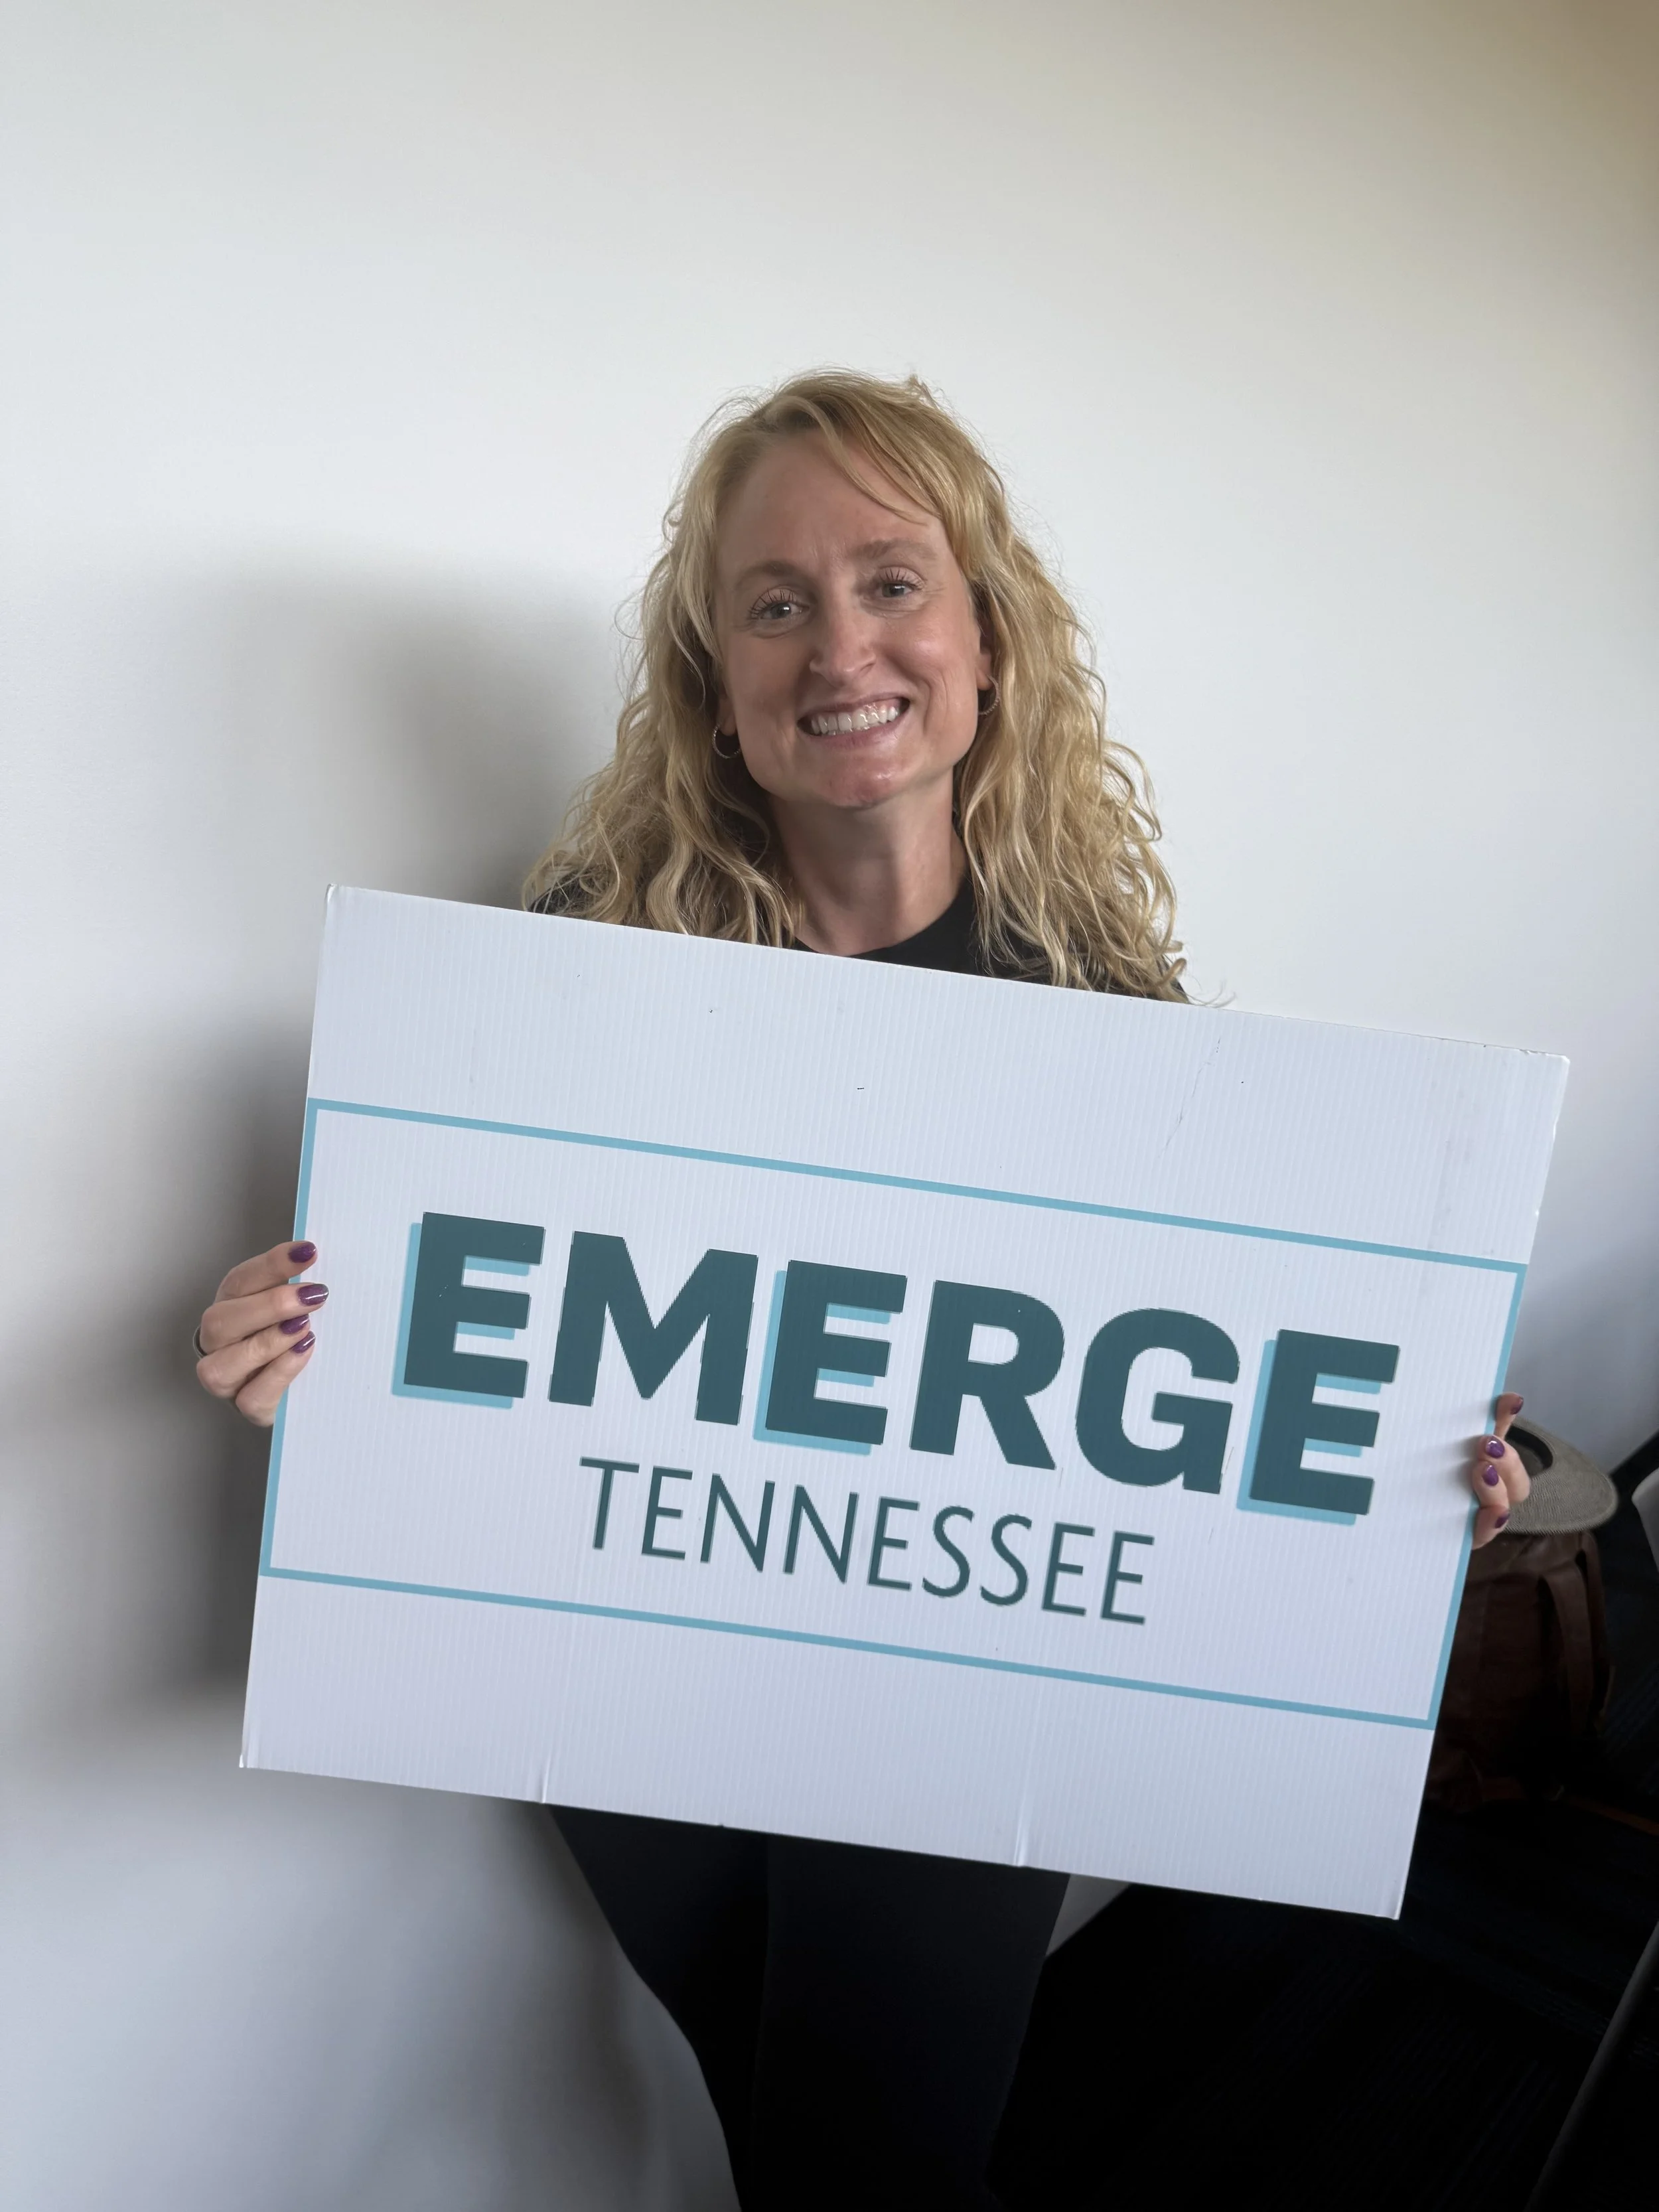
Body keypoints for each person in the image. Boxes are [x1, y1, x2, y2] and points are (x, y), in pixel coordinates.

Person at [194, 372, 1532, 2209]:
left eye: (891, 581)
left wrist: (1409, 1461)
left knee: (869, 2163)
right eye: (774, 600)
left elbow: (1204, 1407)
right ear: (719, 685)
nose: (839, 643)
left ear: (984, 638)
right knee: (806, 2140)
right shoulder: (576, 973)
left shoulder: (1106, 1015)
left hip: (957, 1684)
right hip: (626, 1670)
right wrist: (312, 1359)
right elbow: (472, 1344)